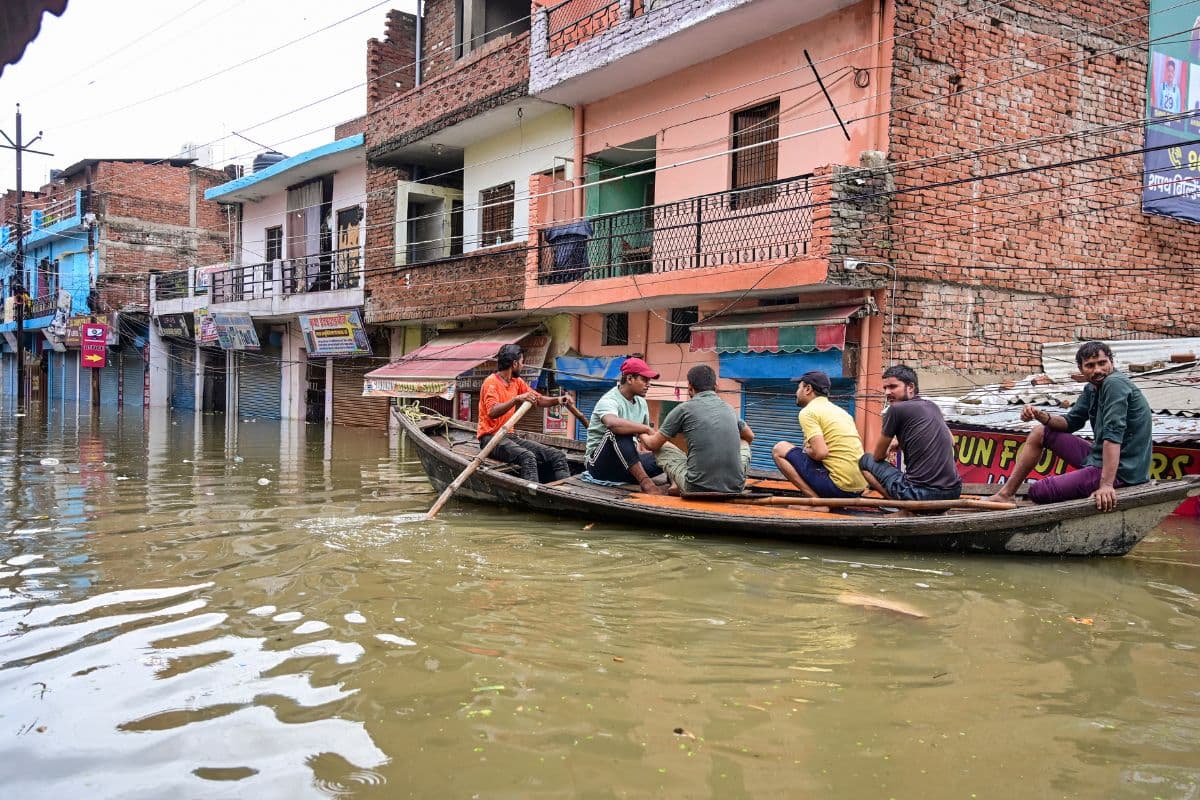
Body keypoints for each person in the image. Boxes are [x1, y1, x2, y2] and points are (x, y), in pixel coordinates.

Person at [986, 341, 1152, 511]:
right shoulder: (1092, 388)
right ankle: (1005, 494)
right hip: (1099, 457)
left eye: (1102, 363)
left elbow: (1113, 436)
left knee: (1038, 491)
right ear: (1081, 370)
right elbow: (1070, 423)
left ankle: (1103, 482)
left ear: (1111, 362)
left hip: (1123, 471)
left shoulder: (1114, 383)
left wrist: (1106, 485)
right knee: (1040, 432)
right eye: (1090, 366)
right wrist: (1040, 415)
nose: (1097, 370)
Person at [638, 364, 754, 495]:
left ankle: (679, 483)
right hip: (735, 486)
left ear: (690, 387)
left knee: (662, 447)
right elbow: (749, 436)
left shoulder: (683, 409)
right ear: (715, 386)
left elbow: (653, 444)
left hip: (695, 487)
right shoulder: (729, 408)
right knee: (743, 443)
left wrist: (641, 431)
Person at [859, 365, 962, 502]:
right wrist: (900, 441)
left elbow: (878, 456)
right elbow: (951, 440)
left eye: (893, 387)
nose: (887, 393)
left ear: (911, 387)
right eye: (885, 388)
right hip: (953, 492)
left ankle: (905, 508)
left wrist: (890, 446)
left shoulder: (895, 409)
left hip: (919, 494)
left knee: (866, 460)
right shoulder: (932, 406)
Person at [477, 343, 572, 483]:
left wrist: (558, 399)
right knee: (527, 457)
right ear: (514, 364)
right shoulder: (491, 383)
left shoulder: (517, 381)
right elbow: (492, 412)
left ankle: (566, 492)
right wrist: (515, 399)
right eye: (522, 362)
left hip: (509, 436)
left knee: (557, 455)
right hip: (490, 439)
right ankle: (532, 495)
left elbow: (538, 400)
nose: (523, 365)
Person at [772, 370, 867, 499]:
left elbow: (821, 453)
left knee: (779, 448)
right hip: (859, 488)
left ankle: (816, 502)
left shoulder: (808, 412)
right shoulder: (842, 412)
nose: (796, 393)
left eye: (798, 387)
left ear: (808, 389)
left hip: (839, 488)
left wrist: (807, 450)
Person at [584, 356, 667, 494]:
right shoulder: (609, 400)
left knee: (665, 455)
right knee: (618, 430)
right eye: (644, 379)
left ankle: (675, 484)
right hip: (600, 466)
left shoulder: (641, 403)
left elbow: (645, 439)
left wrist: (659, 445)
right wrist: (646, 428)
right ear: (629, 379)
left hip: (627, 466)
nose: (648, 384)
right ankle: (646, 483)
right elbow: (612, 424)